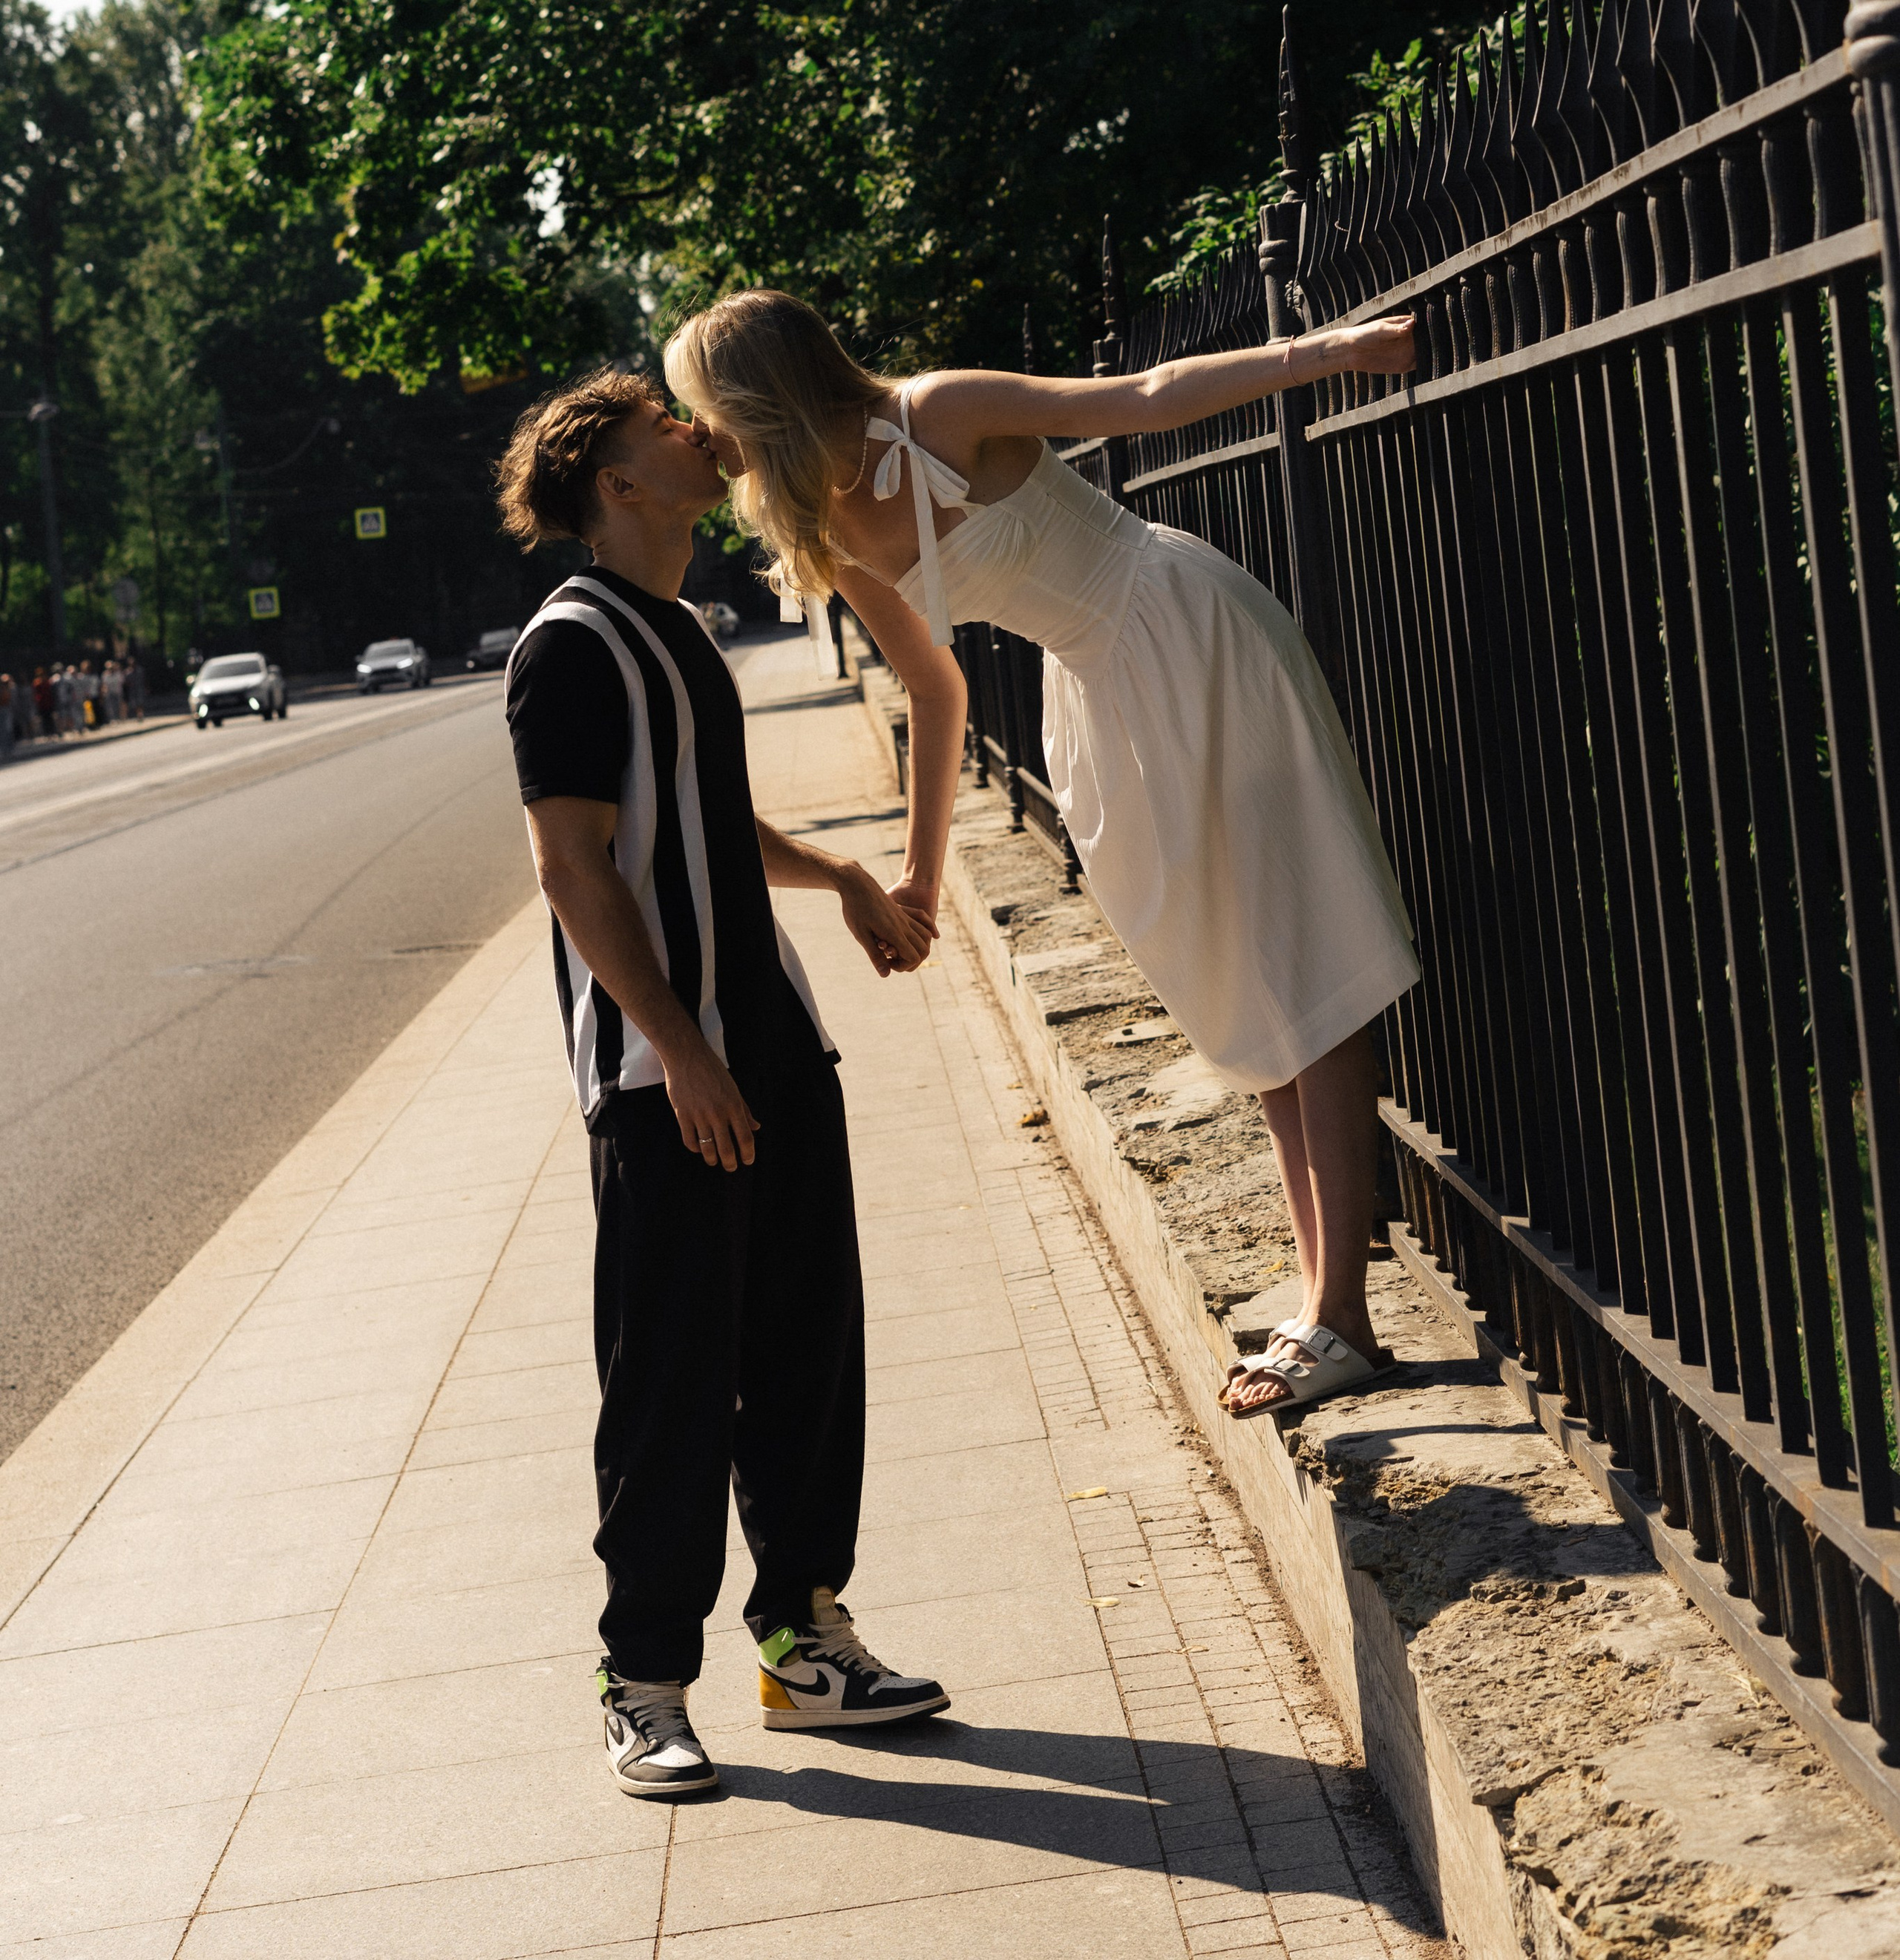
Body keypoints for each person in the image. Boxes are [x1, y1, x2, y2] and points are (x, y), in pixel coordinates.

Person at [664, 290, 1422, 1420]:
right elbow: (935, 688)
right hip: (1105, 689)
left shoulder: (937, 411)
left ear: (759, 399)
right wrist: (922, 879)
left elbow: (1146, 397)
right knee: (1239, 981)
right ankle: (1325, 1301)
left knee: (1299, 951)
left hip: (1183, 626)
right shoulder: (825, 525)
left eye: (705, 410)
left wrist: (1333, 352)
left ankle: (1342, 1312)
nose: (699, 436)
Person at [494, 365, 950, 1802]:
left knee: (808, 1350)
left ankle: (804, 1641)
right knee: (671, 1379)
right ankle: (641, 1684)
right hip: (662, 1075)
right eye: (663, 425)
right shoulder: (569, 646)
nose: (698, 431)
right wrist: (680, 1050)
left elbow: (708, 819)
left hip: (772, 1041)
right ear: (617, 482)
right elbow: (570, 866)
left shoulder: (681, 628)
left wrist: (844, 877)